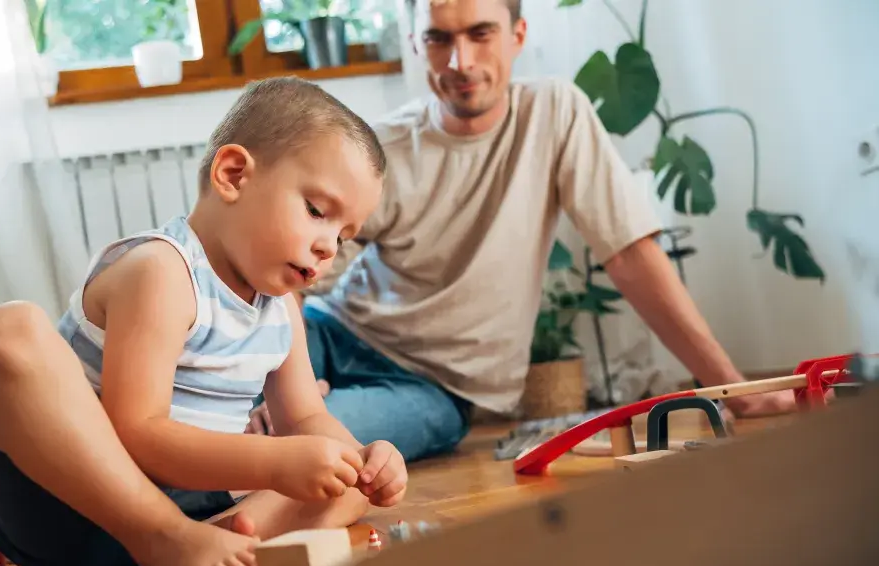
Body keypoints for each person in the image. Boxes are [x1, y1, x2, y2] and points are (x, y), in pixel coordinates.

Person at [247, 0, 797, 460]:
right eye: (439, 39)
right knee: (211, 419)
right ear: (416, 46)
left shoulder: (555, 113)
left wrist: (731, 390)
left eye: (480, 33)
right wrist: (294, 386)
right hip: (328, 332)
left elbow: (630, 256)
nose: (460, 61)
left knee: (285, 449)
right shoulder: (381, 150)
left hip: (434, 387)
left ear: (517, 34)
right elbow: (292, 279)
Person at [0, 77, 408, 566]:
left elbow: (305, 418)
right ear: (233, 174)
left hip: (192, 502)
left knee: (348, 490)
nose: (329, 246)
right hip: (68, 504)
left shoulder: (281, 307)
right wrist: (275, 461)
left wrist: (365, 460)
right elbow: (139, 433)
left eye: (343, 234)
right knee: (5, 332)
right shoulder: (163, 271)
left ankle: (209, 546)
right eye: (316, 211)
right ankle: (167, 542)